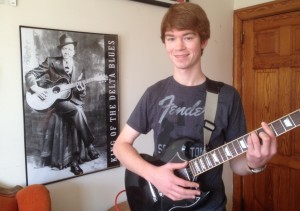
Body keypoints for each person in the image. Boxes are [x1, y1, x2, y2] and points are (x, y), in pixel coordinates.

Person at [113, 2, 277, 211]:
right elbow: (120, 146)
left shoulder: (227, 96)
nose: (178, 46)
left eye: (188, 37)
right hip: (161, 203)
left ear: (204, 41)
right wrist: (152, 174)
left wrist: (255, 163)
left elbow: (237, 165)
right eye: (171, 38)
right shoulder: (155, 93)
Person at [25, 34, 100, 176]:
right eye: (64, 49)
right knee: (77, 111)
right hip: (55, 102)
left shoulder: (79, 67)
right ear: (61, 50)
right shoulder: (51, 62)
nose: (67, 52)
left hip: (72, 101)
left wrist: (81, 88)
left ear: (74, 51)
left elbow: (81, 93)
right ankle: (89, 146)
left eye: (70, 49)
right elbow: (30, 74)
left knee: (76, 110)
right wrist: (36, 88)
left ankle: (75, 161)